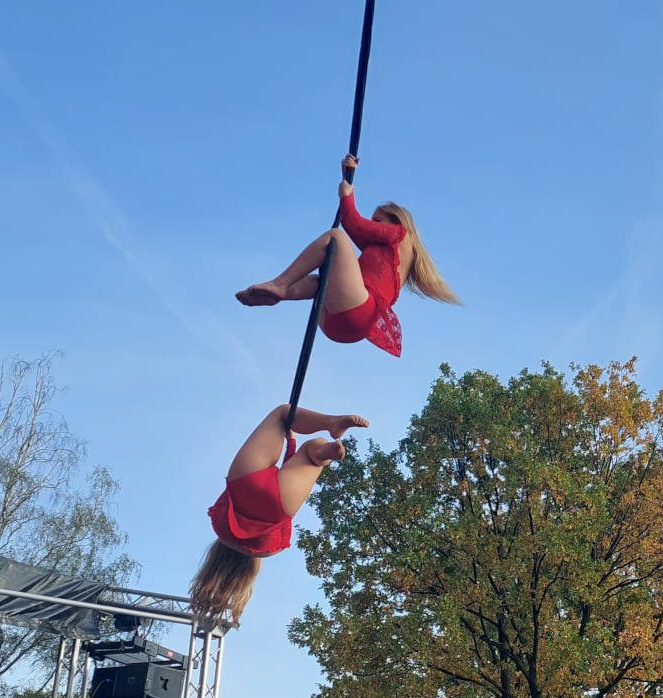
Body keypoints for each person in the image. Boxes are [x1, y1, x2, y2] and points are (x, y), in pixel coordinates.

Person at [236, 154, 461, 357]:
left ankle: (280, 285)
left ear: (397, 221)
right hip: (339, 323)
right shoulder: (388, 255)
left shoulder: (400, 235)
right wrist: (348, 179)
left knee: (335, 238)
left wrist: (346, 195)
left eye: (378, 221)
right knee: (320, 280)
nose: (374, 225)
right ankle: (281, 294)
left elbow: (352, 223)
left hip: (358, 312)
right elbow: (356, 231)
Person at [189, 404, 367, 626]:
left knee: (312, 455)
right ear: (213, 558)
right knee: (283, 415)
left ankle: (322, 452)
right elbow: (223, 502)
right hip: (246, 482)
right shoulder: (221, 530)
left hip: (279, 503)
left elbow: (283, 528)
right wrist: (287, 439)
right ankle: (330, 423)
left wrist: (297, 453)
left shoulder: (266, 552)